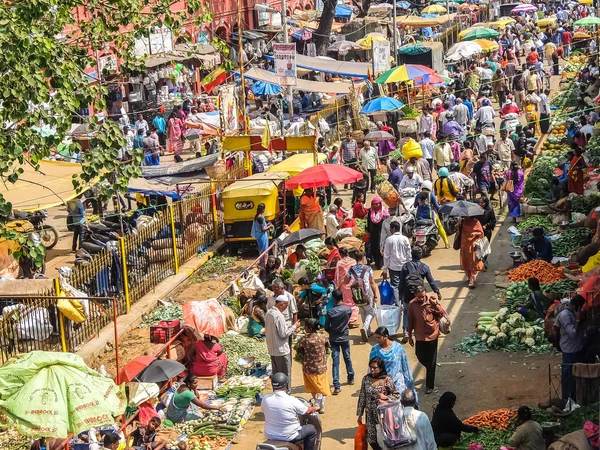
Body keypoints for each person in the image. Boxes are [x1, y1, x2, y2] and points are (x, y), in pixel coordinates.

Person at [262, 373, 320, 450]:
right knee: (311, 429)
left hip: (270, 435)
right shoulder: (291, 400)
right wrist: (316, 407)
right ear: (286, 385)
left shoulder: (265, 399)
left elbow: (264, 411)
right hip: (289, 436)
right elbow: (307, 411)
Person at [357, 357, 400, 450]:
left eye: (375, 367)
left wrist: (386, 397)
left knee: (384, 438)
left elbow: (397, 395)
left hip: (383, 416)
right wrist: (359, 414)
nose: (372, 369)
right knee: (371, 439)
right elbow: (362, 396)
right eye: (371, 367)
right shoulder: (366, 379)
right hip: (370, 415)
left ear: (380, 368)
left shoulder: (387, 380)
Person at [407, 286, 443, 394]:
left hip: (432, 335)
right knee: (419, 355)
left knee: (431, 360)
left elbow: (441, 314)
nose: (422, 299)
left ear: (425, 293)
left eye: (423, 296)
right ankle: (430, 369)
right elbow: (410, 320)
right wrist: (409, 336)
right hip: (419, 336)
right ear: (415, 296)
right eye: (419, 297)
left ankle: (429, 386)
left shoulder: (431, 302)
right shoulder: (411, 304)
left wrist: (436, 304)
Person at [398, 246, 441, 339]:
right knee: (421, 312)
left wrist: (400, 294)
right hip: (420, 295)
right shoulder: (424, 267)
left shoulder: (405, 266)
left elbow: (401, 282)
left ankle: (405, 331)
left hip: (407, 294)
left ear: (411, 255)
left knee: (406, 312)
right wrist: (437, 291)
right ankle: (421, 330)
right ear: (421, 256)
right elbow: (431, 281)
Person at [554, 294, 585, 401]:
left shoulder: (571, 312)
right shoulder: (565, 315)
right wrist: (577, 319)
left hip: (576, 348)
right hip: (569, 349)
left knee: (575, 376)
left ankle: (574, 398)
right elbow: (572, 333)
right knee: (568, 376)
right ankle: (566, 399)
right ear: (578, 307)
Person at [296, 318, 331, 413]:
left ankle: (317, 403)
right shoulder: (323, 337)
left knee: (313, 387)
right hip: (321, 367)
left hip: (308, 368)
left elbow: (298, 348)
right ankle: (320, 404)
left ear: (309, 328)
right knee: (321, 387)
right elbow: (328, 346)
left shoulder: (304, 339)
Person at [325, 289, 355, 395]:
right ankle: (350, 377)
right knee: (347, 358)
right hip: (345, 337)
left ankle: (336, 386)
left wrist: (332, 332)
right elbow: (348, 318)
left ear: (333, 298)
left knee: (335, 362)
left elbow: (326, 327)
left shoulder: (330, 312)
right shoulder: (347, 309)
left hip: (334, 339)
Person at [265, 295, 300, 385]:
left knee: (276, 374)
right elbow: (283, 334)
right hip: (281, 351)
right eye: (286, 305)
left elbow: (275, 329)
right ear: (281, 304)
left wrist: (286, 326)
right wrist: (294, 326)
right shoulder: (278, 316)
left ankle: (277, 392)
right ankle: (286, 393)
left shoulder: (269, 313)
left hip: (273, 350)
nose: (286, 307)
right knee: (285, 375)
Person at [369, 326, 415, 394]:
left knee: (400, 398)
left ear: (386, 337)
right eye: (376, 337)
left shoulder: (398, 348)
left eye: (379, 337)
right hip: (381, 381)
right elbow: (372, 367)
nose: (377, 340)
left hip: (397, 380)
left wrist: (409, 383)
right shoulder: (375, 350)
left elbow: (405, 366)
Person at [345, 251, 379, 342]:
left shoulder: (351, 269)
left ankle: (368, 331)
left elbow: (345, 281)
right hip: (367, 294)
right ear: (363, 258)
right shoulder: (367, 268)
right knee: (372, 312)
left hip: (357, 295)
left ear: (355, 259)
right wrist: (375, 296)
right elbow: (372, 283)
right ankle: (365, 328)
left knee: (363, 312)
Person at [382, 221, 411, 305]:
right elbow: (408, 253)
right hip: (404, 266)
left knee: (395, 286)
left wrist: (385, 269)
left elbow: (386, 255)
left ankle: (398, 304)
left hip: (393, 267)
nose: (390, 230)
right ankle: (404, 302)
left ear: (393, 228)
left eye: (391, 228)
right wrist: (409, 265)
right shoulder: (405, 239)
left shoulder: (389, 239)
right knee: (405, 284)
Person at [459, 217, 485, 288]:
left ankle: (473, 280)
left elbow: (481, 233)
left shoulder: (476, 222)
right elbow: (460, 232)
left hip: (473, 246)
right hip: (464, 245)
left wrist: (475, 233)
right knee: (466, 261)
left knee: (473, 262)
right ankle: (469, 277)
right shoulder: (462, 221)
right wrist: (458, 226)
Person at [367, 197, 389, 269]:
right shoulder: (370, 211)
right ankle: (376, 262)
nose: (375, 206)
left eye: (377, 204)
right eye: (374, 204)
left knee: (380, 247)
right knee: (373, 248)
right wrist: (368, 231)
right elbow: (368, 222)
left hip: (381, 232)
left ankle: (380, 263)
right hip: (373, 233)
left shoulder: (384, 212)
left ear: (380, 204)